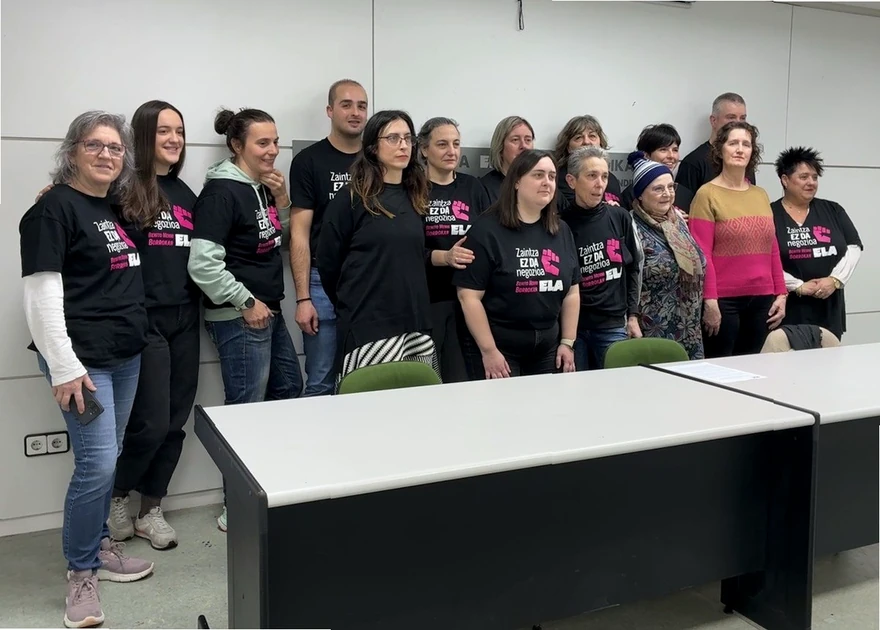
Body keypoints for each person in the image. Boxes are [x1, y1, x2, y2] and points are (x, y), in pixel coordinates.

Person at [19, 110, 154, 629]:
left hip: (125, 355)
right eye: (94, 145)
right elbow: (41, 296)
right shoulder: (52, 212)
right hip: (83, 363)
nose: (106, 154)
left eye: (115, 148)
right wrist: (65, 367)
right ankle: (80, 571)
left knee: (110, 456)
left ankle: (98, 547)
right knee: (96, 465)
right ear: (72, 150)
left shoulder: (115, 207)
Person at [188, 107, 303, 531]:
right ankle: (235, 507)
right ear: (237, 146)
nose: (273, 151)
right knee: (246, 411)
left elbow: (277, 239)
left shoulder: (260, 188)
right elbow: (202, 264)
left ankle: (272, 485)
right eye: (262, 143)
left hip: (267, 312)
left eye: (275, 141)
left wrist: (283, 201)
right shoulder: (222, 193)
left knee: (290, 390)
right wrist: (245, 301)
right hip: (240, 316)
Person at [316, 110, 437, 384]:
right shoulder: (351, 199)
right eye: (393, 138)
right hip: (368, 322)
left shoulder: (415, 195)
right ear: (372, 147)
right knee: (367, 415)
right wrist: (351, 303)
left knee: (414, 408)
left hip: (414, 322)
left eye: (408, 138)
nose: (403, 145)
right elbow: (328, 263)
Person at [454, 150, 579, 379]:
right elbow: (468, 297)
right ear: (517, 182)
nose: (547, 183)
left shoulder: (562, 231)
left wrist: (567, 342)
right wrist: (489, 351)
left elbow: (572, 291)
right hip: (499, 346)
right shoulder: (486, 230)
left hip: (548, 347)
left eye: (552, 176)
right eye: (538, 175)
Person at [289, 79, 368, 396]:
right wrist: (303, 298)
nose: (355, 112)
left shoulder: (378, 162)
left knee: (366, 378)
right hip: (322, 283)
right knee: (321, 379)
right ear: (330, 110)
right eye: (347, 104)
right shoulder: (309, 161)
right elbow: (299, 234)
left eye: (362, 106)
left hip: (368, 281)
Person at [689, 121, 787, 357]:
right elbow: (702, 255)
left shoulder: (760, 194)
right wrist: (710, 301)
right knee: (721, 371)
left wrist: (781, 293)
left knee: (755, 369)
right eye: (733, 143)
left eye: (746, 144)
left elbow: (772, 248)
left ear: (753, 151)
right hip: (724, 301)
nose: (740, 149)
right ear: (720, 150)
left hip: (763, 299)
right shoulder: (706, 194)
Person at [417, 116, 491, 383]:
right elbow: (403, 250)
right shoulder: (412, 188)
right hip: (429, 299)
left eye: (456, 144)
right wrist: (444, 257)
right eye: (442, 144)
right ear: (424, 149)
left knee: (467, 378)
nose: (451, 151)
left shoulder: (473, 187)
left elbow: (489, 238)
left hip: (471, 299)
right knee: (434, 379)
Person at [561, 146, 642, 370]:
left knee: (615, 390)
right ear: (571, 180)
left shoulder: (620, 217)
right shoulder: (561, 225)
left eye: (605, 176)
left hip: (613, 325)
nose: (600, 184)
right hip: (574, 329)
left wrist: (632, 315)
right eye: (591, 176)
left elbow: (633, 269)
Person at [770, 146, 863, 340]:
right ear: (785, 180)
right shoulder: (769, 213)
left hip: (829, 308)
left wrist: (835, 280)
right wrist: (798, 286)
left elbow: (854, 247)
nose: (811, 182)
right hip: (787, 309)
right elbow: (762, 260)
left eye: (814, 177)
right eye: (804, 177)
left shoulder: (833, 210)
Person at [627, 151, 706, 360]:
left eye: (671, 187)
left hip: (688, 325)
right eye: (658, 188)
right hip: (651, 326)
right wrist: (631, 318)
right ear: (641, 194)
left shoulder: (678, 221)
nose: (667, 194)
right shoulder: (629, 226)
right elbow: (627, 279)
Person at [677, 92, 755, 192]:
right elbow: (682, 207)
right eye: (731, 117)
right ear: (714, 121)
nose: (738, 123)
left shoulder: (743, 159)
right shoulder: (694, 162)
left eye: (742, 118)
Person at [620, 124, 695, 214]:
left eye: (675, 150)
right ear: (646, 155)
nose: (671, 156)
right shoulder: (631, 194)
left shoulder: (686, 193)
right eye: (663, 150)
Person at [554, 115, 623, 208]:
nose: (586, 142)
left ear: (600, 143)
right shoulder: (556, 178)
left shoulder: (612, 180)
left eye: (592, 136)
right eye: (578, 137)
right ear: (568, 147)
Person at [480, 116, 534, 204]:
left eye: (528, 140)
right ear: (500, 146)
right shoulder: (484, 189)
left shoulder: (543, 184)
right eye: (515, 140)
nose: (523, 146)